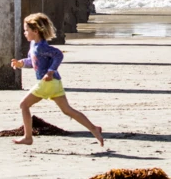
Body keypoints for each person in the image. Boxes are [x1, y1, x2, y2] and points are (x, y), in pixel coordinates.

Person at [10, 12, 104, 147]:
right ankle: (94, 128)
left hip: (47, 82)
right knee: (67, 110)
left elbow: (58, 55)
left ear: (35, 31)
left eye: (26, 30)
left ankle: (28, 137)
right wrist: (21, 63)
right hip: (54, 83)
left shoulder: (42, 46)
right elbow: (34, 62)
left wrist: (50, 71)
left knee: (24, 105)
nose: (24, 33)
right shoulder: (34, 46)